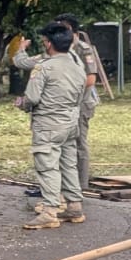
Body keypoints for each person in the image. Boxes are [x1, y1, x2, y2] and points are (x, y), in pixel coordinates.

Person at [17, 22, 88, 229]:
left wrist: (22, 104)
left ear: (48, 44)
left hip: (48, 123)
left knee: (47, 165)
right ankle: (74, 205)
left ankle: (49, 210)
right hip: (70, 121)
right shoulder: (77, 66)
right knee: (68, 164)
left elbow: (32, 97)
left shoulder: (44, 67)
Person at [56, 13, 105, 191]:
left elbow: (90, 79)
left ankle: (81, 184)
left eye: (62, 28)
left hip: (82, 102)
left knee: (79, 143)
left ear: (71, 29)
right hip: (67, 103)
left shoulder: (83, 49)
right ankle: (66, 183)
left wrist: (67, 88)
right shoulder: (62, 48)